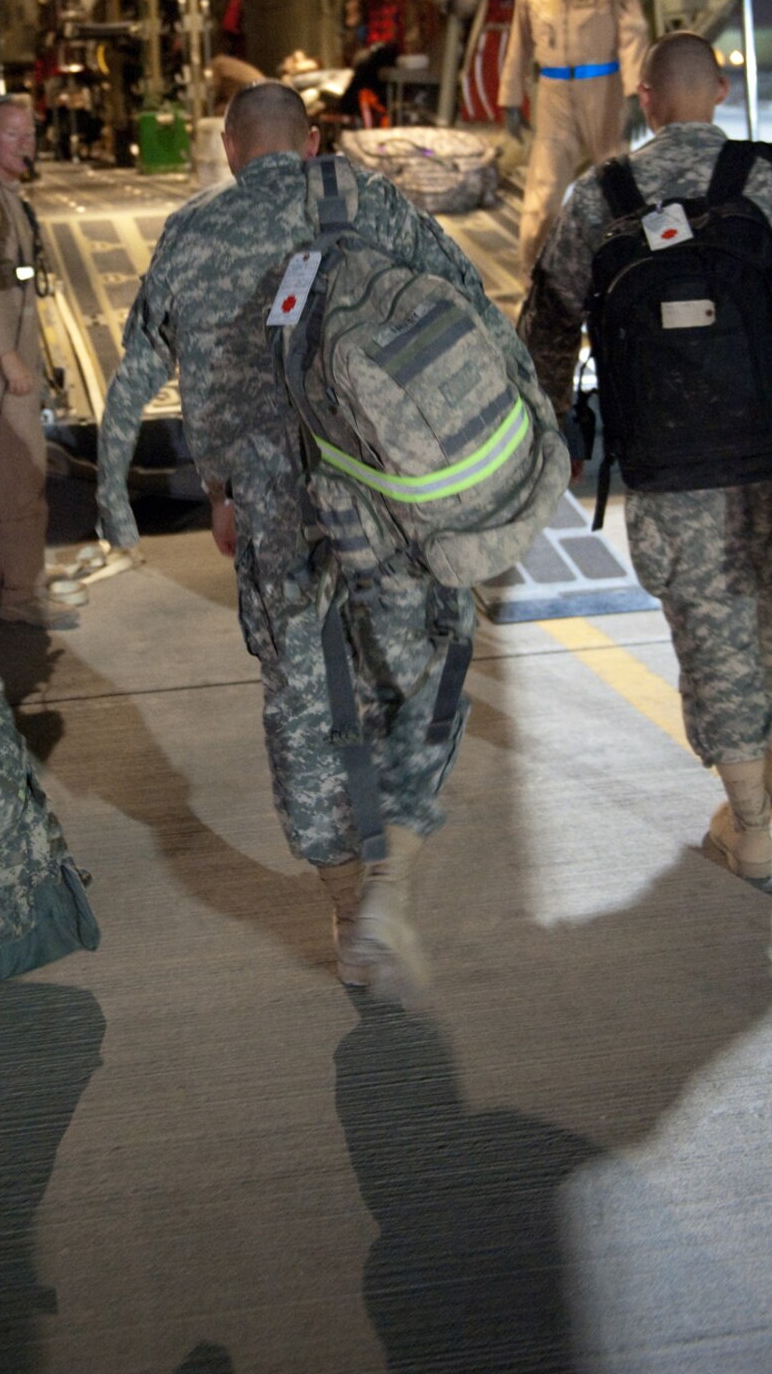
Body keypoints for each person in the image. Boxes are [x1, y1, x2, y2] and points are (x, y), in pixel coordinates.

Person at [97, 81, 554, 986]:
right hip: (385, 496)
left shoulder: (192, 235)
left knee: (305, 705)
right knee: (426, 671)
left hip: (270, 518)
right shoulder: (364, 200)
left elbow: (134, 376)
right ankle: (398, 866)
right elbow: (465, 305)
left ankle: (348, 917)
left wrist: (117, 499)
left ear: (229, 149)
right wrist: (527, 433)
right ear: (308, 143)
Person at [518, 31, 772, 882]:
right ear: (714, 89)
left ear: (645, 100)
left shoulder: (601, 195)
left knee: (710, 630)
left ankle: (747, 826)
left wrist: (555, 431)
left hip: (670, 464)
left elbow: (550, 321)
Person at [0, 96, 81, 630]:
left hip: (13, 359)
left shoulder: (6, 199)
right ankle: (21, 599)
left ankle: (19, 585)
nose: (24, 146)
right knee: (17, 482)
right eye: (11, 135)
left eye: (29, 136)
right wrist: (8, 362)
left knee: (20, 480)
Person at [498, 0, 651, 274]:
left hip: (605, 91)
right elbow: (518, 46)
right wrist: (511, 100)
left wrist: (635, 94)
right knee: (542, 199)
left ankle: (633, 274)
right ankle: (534, 283)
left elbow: (634, 36)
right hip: (553, 96)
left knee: (620, 188)